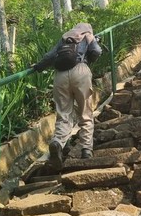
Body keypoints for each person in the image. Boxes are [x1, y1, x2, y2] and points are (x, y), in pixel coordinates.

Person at [32, 23, 102, 170]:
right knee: (85, 113)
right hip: (81, 70)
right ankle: (86, 150)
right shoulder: (87, 35)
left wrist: (38, 67)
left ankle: (57, 142)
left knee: (64, 113)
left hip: (60, 75)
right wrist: (89, 59)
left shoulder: (65, 37)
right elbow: (96, 51)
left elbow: (49, 56)